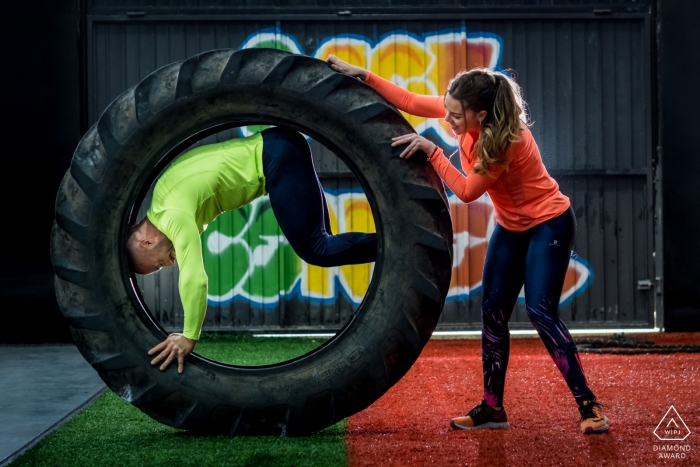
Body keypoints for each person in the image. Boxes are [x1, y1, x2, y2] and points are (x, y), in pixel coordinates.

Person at [327, 55, 608, 435]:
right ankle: (493, 409)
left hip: (548, 224)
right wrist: (365, 76)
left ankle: (589, 407)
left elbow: (467, 191)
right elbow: (410, 101)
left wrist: (433, 151)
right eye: (449, 110)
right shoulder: (463, 116)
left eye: (457, 116)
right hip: (511, 226)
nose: (448, 120)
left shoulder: (509, 140)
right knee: (492, 312)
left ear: (482, 114)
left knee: (541, 312)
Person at [126, 127, 376, 374]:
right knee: (323, 242)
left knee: (317, 249)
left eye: (157, 265)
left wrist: (189, 337)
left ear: (145, 243)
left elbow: (195, 278)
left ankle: (390, 247)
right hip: (279, 146)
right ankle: (388, 244)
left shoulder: (172, 216)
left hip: (275, 157)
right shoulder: (163, 197)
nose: (169, 265)